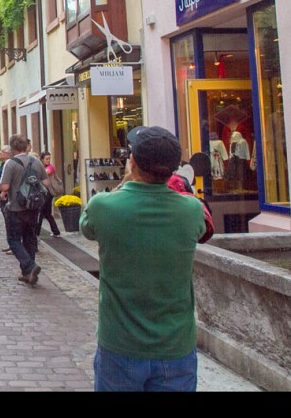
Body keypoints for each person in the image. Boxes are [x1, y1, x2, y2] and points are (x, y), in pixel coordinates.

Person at [81, 125, 207, 392]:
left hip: (120, 343)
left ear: (132, 162)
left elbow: (87, 228)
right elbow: (202, 228)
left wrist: (125, 182)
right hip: (176, 346)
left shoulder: (104, 206)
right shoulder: (192, 211)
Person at [0, 134, 48, 285]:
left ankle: (29, 266)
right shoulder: (36, 161)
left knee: (13, 240)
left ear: (12, 148)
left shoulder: (10, 163)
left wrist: (5, 189)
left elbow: (5, 186)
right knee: (29, 238)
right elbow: (46, 182)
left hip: (16, 206)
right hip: (33, 206)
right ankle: (28, 274)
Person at [37, 151, 63, 237]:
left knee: (41, 212)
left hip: (48, 193)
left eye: (49, 159)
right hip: (43, 192)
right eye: (46, 159)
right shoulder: (41, 167)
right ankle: (56, 231)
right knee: (47, 213)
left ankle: (36, 233)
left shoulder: (50, 167)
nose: (48, 160)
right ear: (42, 159)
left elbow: (44, 173)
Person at [0, 145, 13, 252]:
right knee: (7, 222)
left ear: (7, 154)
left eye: (1, 151)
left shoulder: (9, 164)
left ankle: (13, 245)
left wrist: (4, 192)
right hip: (2, 198)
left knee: (10, 222)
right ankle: (10, 244)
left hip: (7, 198)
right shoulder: (4, 164)